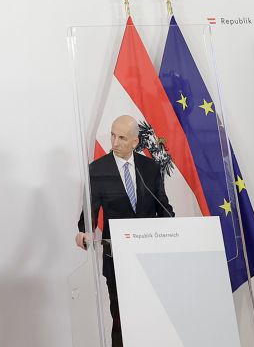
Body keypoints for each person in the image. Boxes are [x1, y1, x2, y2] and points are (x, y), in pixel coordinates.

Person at [76, 115, 173, 347]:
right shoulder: (98, 169)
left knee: (152, 319)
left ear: (135, 142)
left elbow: (164, 208)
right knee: (121, 321)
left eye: (122, 137)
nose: (115, 142)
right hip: (117, 259)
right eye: (112, 135)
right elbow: (88, 214)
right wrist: (85, 231)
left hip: (150, 258)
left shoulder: (150, 168)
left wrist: (174, 230)